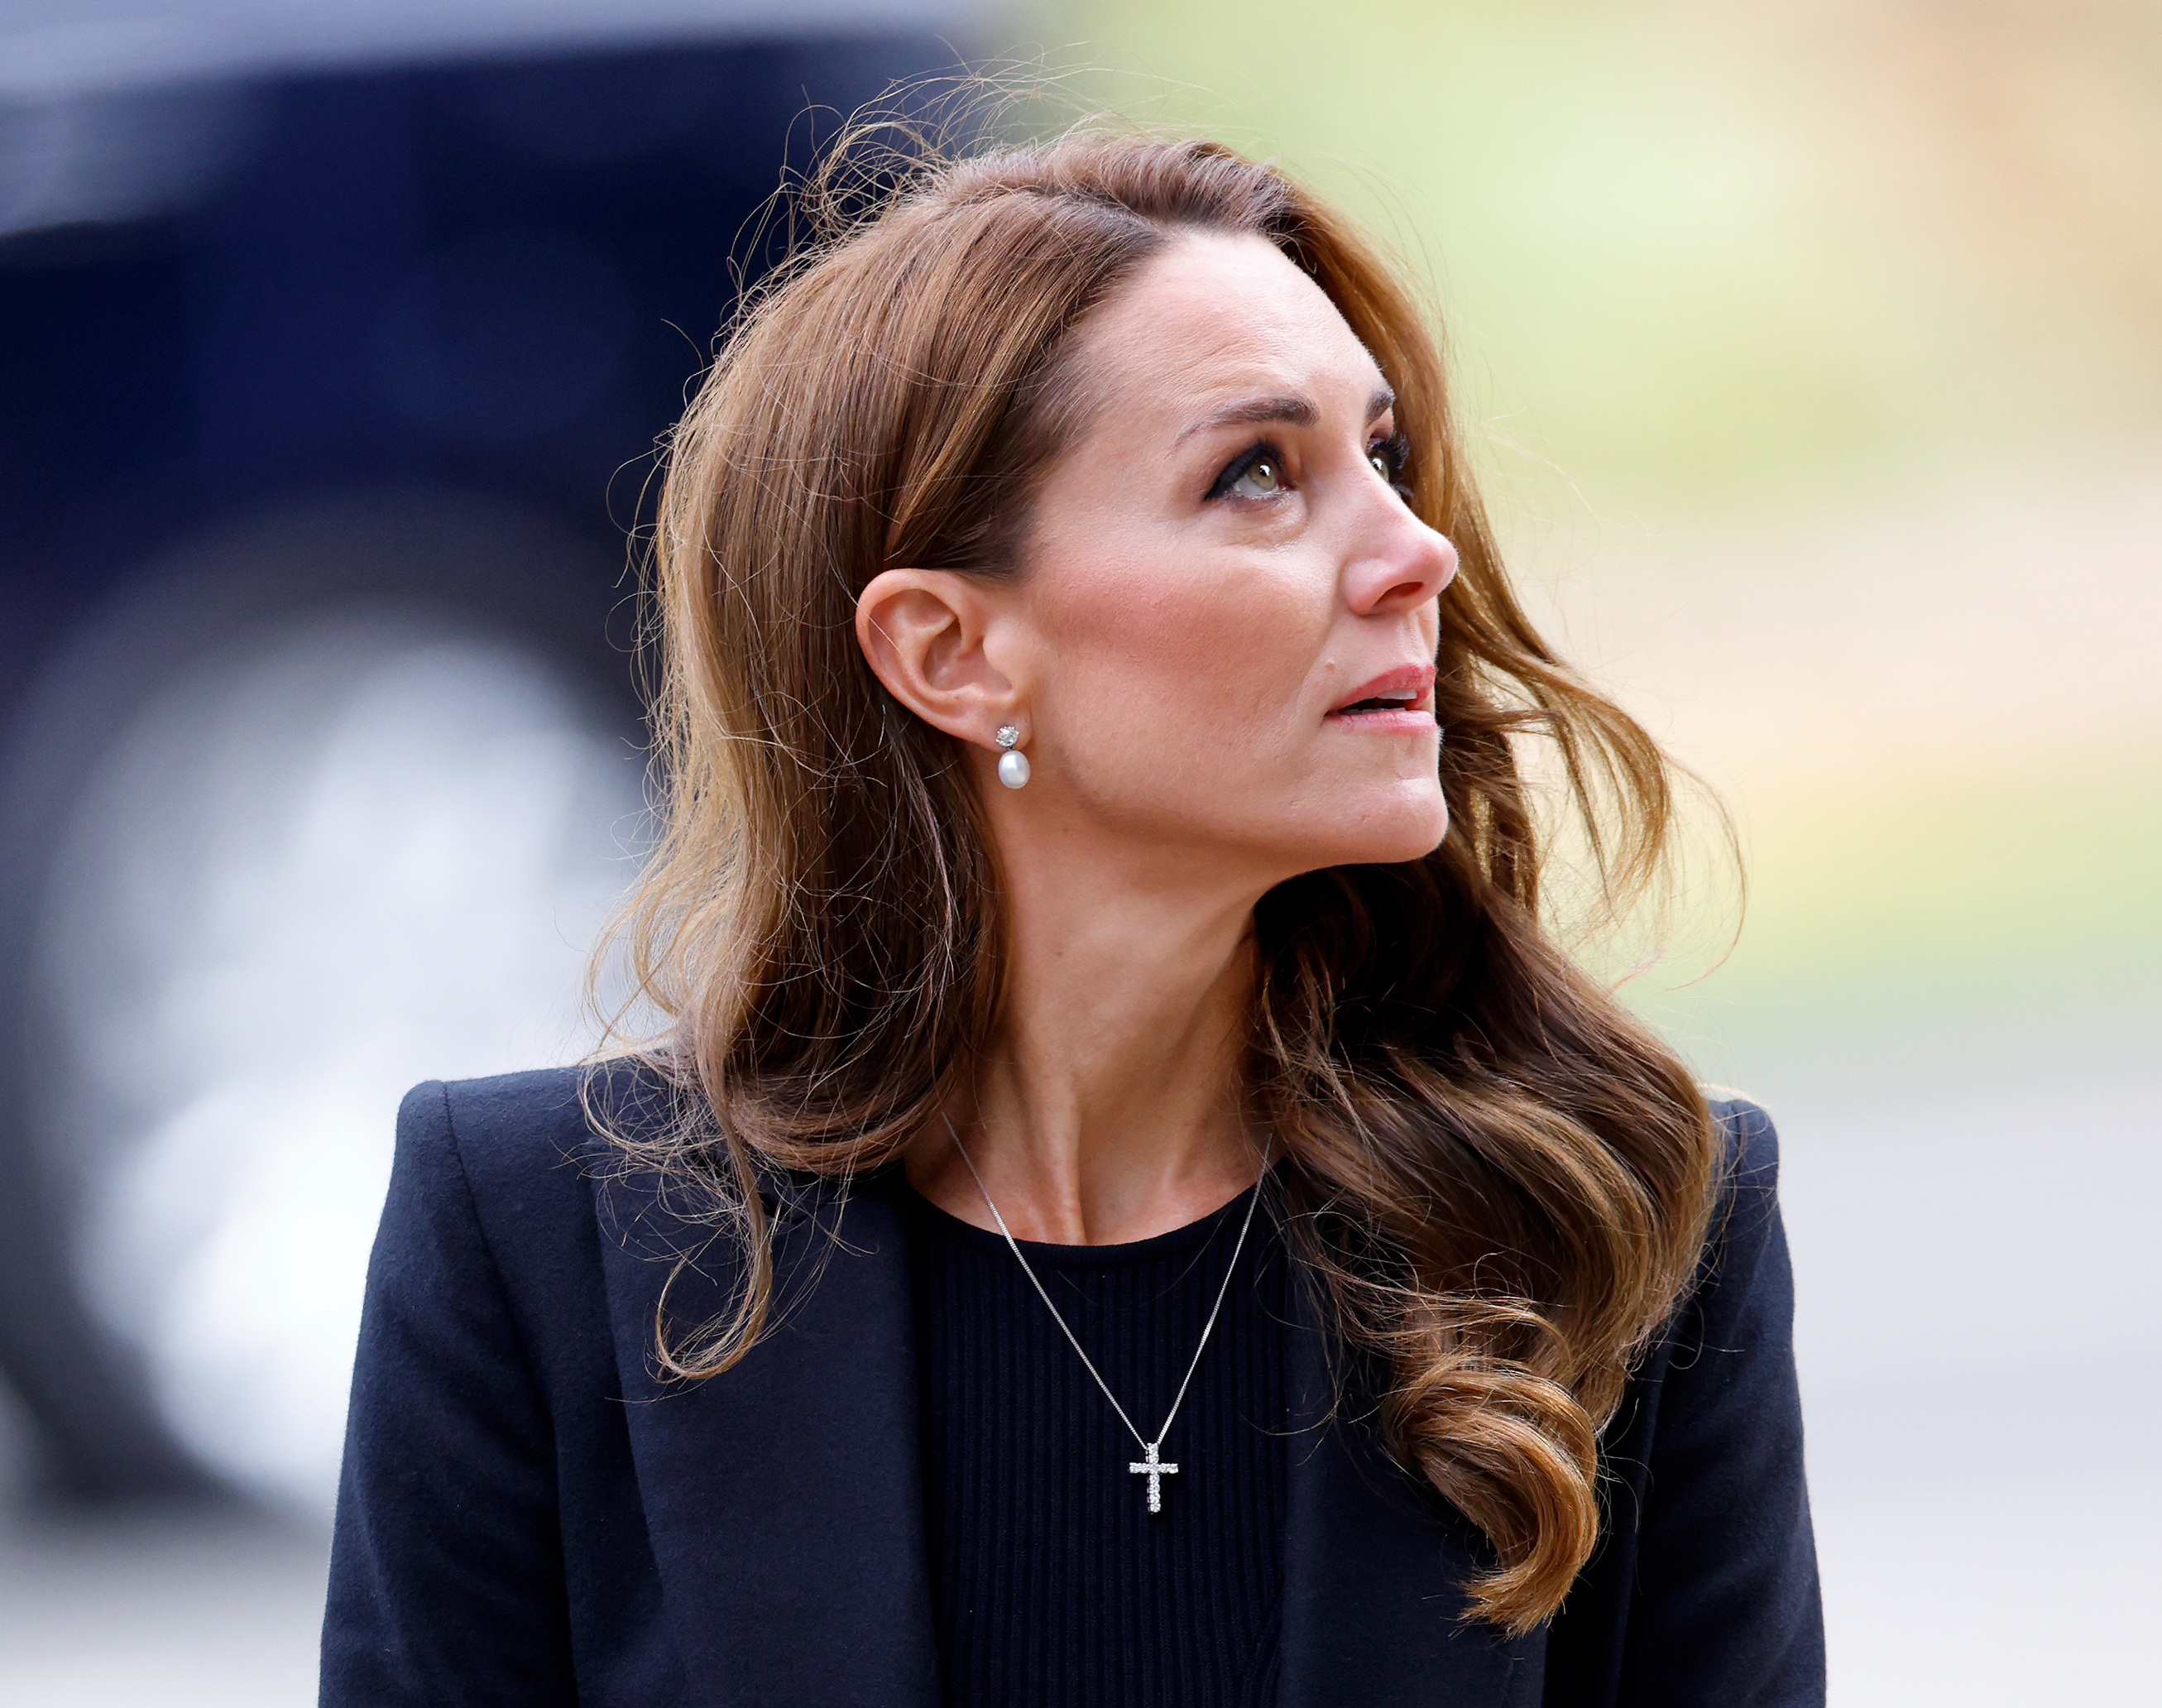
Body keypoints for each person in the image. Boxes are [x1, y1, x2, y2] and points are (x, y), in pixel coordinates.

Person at [321, 127, 1823, 1707]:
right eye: (1257, 474)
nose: (1416, 550)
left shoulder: (1613, 1217)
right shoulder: (533, 1246)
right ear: (951, 654)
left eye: (1378, 457)